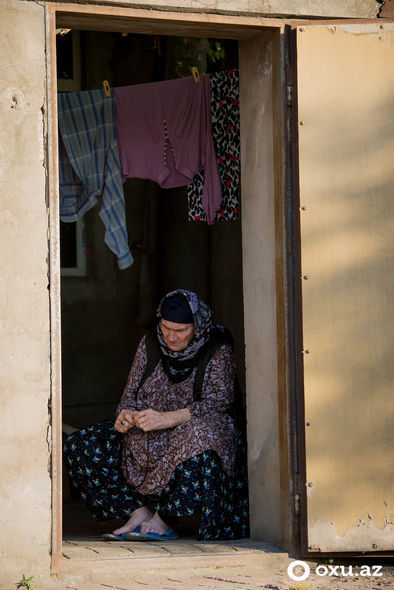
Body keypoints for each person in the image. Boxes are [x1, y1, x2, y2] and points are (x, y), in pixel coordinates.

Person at [63, 289, 249, 541]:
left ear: (197, 326)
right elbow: (129, 394)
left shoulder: (217, 348)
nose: (171, 336)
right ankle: (136, 513)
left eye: (180, 330)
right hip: (148, 429)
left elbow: (220, 401)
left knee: (198, 435)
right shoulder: (150, 343)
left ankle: (163, 520)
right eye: (166, 327)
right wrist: (125, 415)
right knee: (81, 443)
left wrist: (168, 418)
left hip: (193, 428)